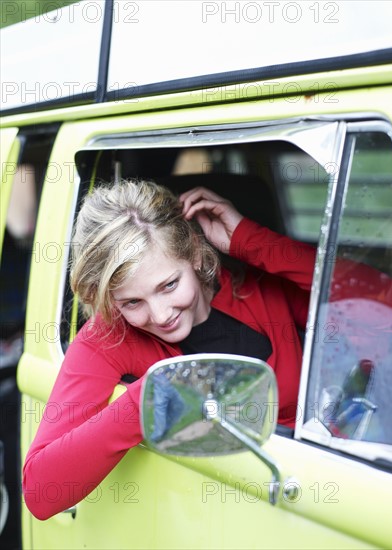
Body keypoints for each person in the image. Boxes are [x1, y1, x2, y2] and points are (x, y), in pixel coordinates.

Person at [22, 180, 316, 520]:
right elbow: (41, 492)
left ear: (193, 252)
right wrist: (146, 399)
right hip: (215, 518)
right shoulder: (111, 335)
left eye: (169, 285)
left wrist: (252, 241)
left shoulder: (257, 290)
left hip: (315, 487)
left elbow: (379, 308)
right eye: (132, 301)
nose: (161, 315)